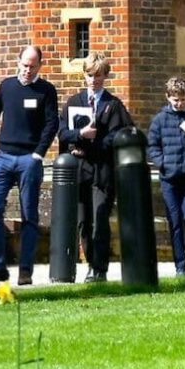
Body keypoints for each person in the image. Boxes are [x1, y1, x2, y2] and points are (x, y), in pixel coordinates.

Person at [0, 44, 60, 286]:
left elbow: (52, 124)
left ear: (40, 66)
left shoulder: (46, 90)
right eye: (24, 65)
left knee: (29, 215)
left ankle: (25, 271)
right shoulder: (7, 86)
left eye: (32, 66)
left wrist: (39, 155)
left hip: (29, 159)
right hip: (2, 157)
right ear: (17, 62)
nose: (27, 70)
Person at [60, 55, 134, 282]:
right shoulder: (74, 102)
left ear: (105, 76)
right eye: (90, 75)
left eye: (98, 75)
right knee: (83, 222)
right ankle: (91, 263)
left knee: (100, 218)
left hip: (102, 171)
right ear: (84, 75)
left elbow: (123, 134)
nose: (93, 80)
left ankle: (100, 268)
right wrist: (80, 135)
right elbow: (62, 133)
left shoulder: (114, 105)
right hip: (80, 171)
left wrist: (96, 144)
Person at [148, 77, 185, 276]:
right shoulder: (160, 120)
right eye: (175, 100)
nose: (179, 104)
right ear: (168, 98)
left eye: (182, 99)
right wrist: (162, 162)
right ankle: (180, 265)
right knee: (175, 222)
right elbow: (153, 147)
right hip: (169, 180)